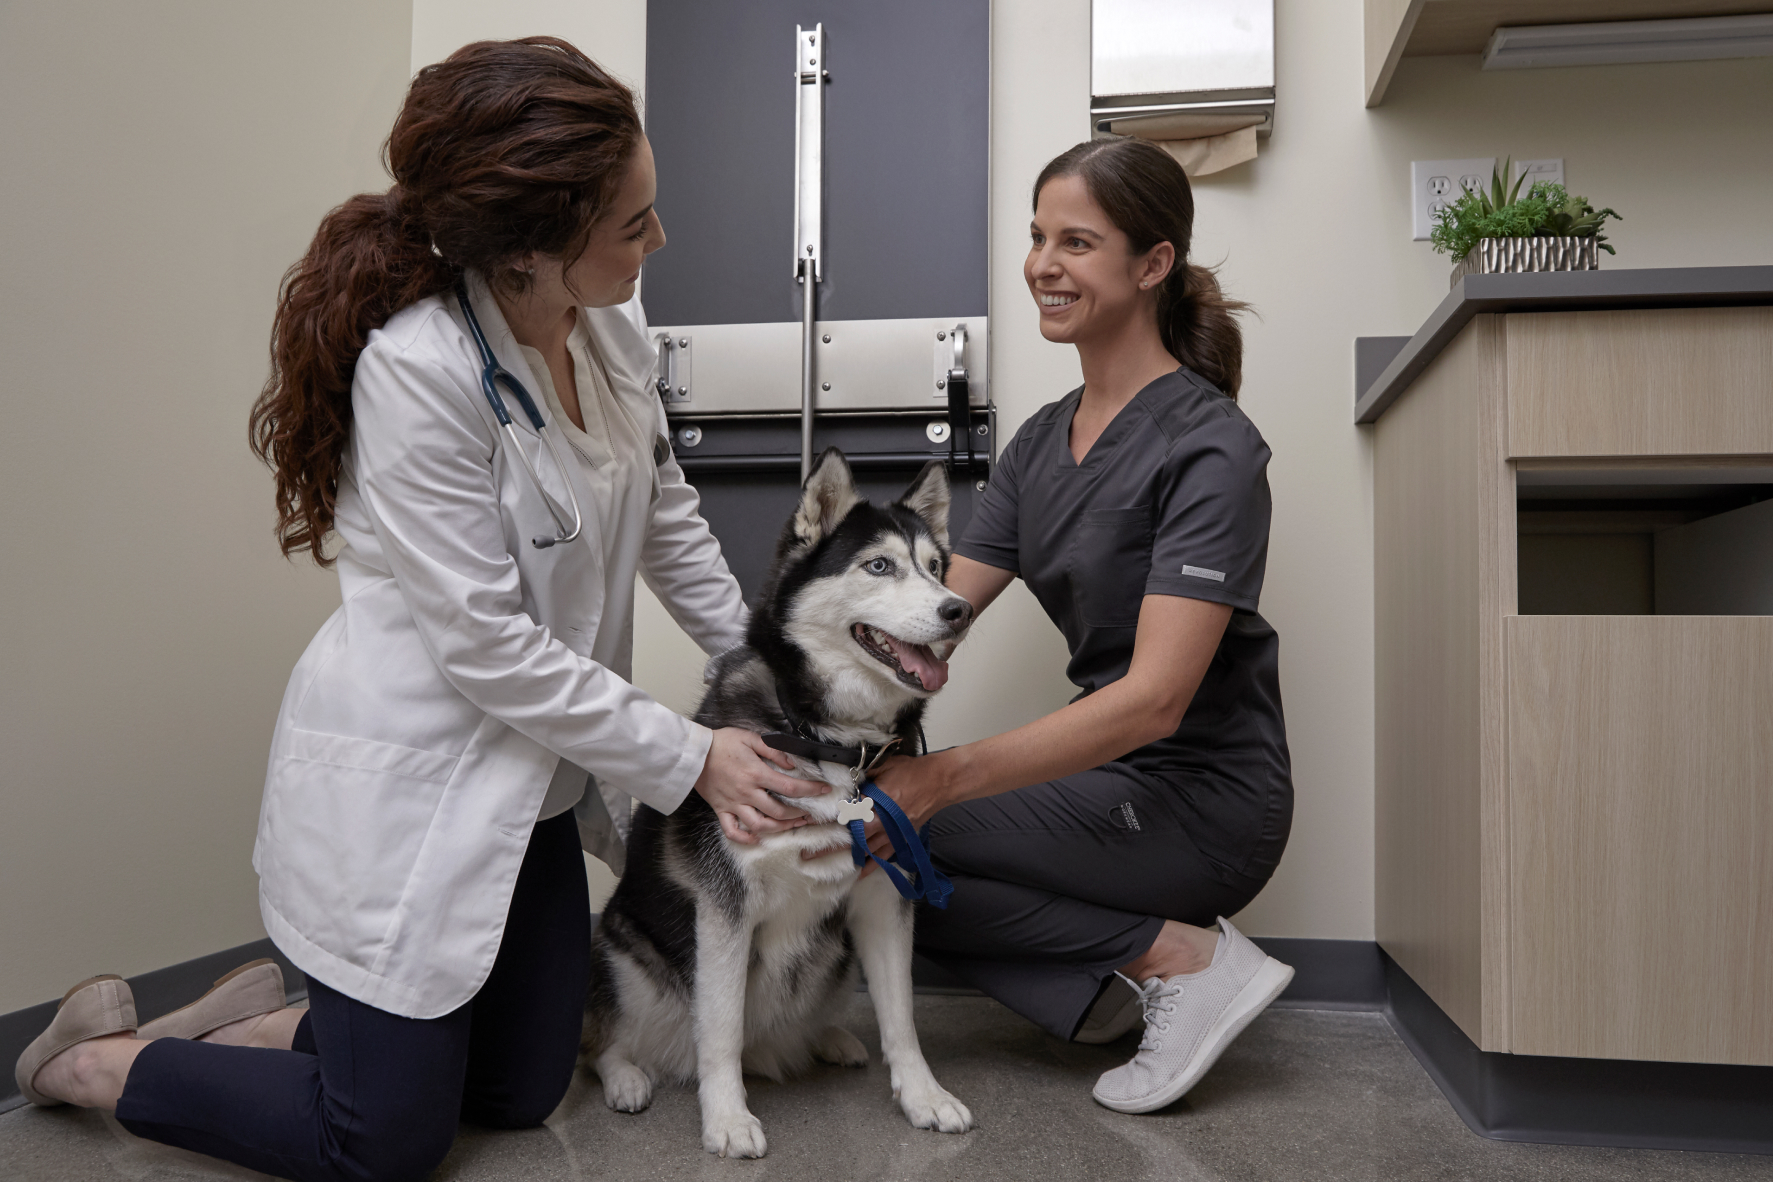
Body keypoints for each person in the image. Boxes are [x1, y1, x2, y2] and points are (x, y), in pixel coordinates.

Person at [12, 37, 827, 1180]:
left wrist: (782, 677)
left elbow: (668, 518)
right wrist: (697, 757)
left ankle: (260, 1023)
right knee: (381, 1143)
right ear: (534, 246)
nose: (658, 242)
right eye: (633, 224)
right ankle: (95, 1064)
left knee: (520, 1087)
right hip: (414, 786)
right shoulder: (420, 371)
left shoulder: (609, 333)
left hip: (529, 786)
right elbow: (490, 648)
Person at [867, 137, 1295, 1115]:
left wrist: (942, 776)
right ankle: (1113, 989)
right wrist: (794, 697)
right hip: (1118, 783)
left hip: (1209, 797)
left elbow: (1153, 701)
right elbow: (937, 615)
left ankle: (1181, 959)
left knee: (900, 829)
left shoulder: (1208, 447)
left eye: (1076, 242)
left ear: (1152, 266)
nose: (1042, 266)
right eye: (1035, 238)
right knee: (864, 853)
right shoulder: (1041, 440)